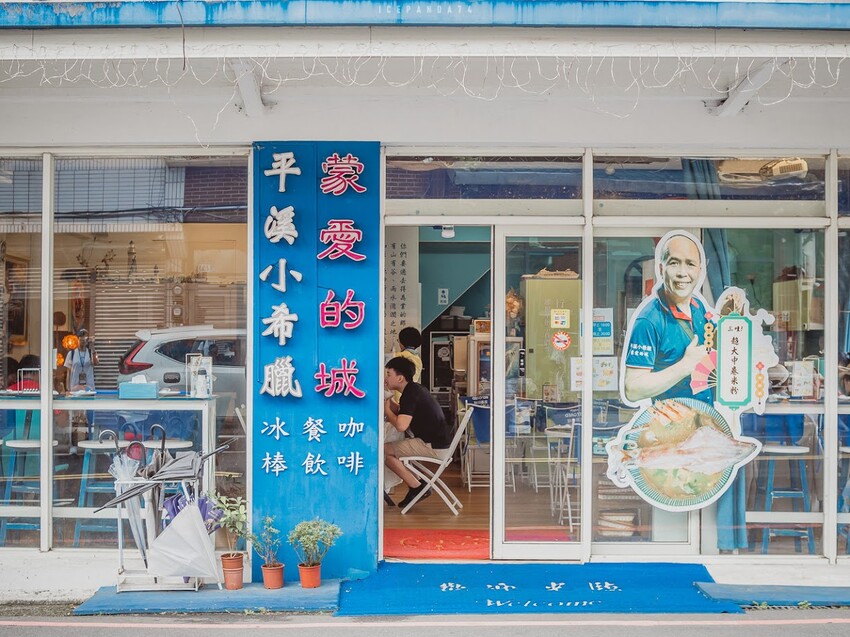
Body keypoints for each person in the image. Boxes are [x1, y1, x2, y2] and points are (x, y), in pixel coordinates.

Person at [623, 231, 713, 405]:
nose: (682, 273)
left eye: (690, 264)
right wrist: (685, 366)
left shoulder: (699, 307)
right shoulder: (649, 320)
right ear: (661, 269)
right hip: (671, 427)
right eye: (674, 263)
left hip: (706, 421)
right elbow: (632, 389)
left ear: (699, 270)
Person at [383, 356, 452, 509]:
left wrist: (387, 410)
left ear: (400, 378)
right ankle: (417, 484)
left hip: (433, 446)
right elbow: (402, 412)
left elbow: (401, 425)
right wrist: (388, 401)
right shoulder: (414, 389)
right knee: (389, 450)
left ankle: (417, 486)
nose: (385, 378)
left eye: (388, 374)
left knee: (384, 452)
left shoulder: (410, 394)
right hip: (439, 443)